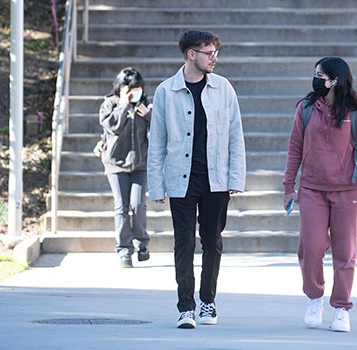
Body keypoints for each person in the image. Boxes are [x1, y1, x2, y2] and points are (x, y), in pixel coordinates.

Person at [147, 30, 246, 329]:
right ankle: (185, 306)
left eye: (215, 52)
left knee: (212, 242)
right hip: (181, 178)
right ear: (192, 54)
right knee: (183, 242)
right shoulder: (167, 91)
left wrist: (236, 176)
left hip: (216, 179)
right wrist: (156, 185)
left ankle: (208, 301)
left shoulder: (224, 88)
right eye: (208, 53)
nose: (214, 58)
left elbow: (235, 136)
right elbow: (158, 142)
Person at [282, 57, 357, 332]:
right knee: (311, 248)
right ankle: (314, 298)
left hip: (348, 191)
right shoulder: (305, 109)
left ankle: (341, 307)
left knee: (345, 253)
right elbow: (294, 148)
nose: (316, 79)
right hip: (312, 190)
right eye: (315, 74)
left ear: (336, 80)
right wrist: (288, 187)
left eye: (321, 75)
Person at [99, 67, 152, 268]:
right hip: (115, 163)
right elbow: (113, 127)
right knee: (121, 207)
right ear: (121, 88)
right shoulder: (109, 105)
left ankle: (141, 243)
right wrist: (123, 106)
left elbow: (161, 129)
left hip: (140, 163)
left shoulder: (145, 104)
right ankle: (124, 250)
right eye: (131, 89)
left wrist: (148, 116)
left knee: (138, 205)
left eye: (138, 89)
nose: (135, 93)